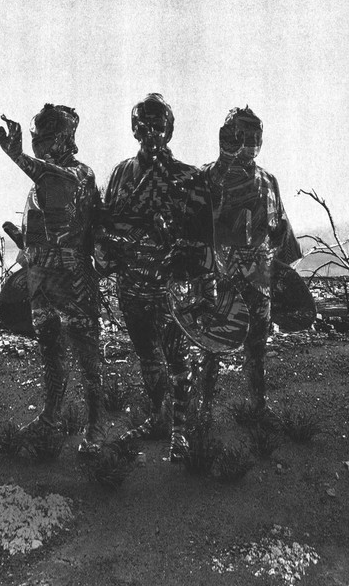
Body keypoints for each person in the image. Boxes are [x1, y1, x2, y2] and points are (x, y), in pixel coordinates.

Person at [102, 93, 231, 461]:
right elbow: (107, 223)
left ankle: (180, 430)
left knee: (178, 359)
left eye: (158, 126)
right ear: (133, 129)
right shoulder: (121, 174)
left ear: (169, 130)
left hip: (171, 287)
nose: (151, 133)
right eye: (143, 125)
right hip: (131, 285)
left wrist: (203, 282)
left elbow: (204, 239)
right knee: (146, 355)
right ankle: (159, 416)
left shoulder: (188, 177)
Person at [0, 104, 106, 454]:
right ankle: (50, 417)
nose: (39, 145)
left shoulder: (79, 174)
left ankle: (96, 428)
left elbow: (56, 180)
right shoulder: (43, 181)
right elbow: (47, 227)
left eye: (44, 139)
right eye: (36, 139)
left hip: (74, 281)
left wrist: (18, 157)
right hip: (42, 280)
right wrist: (23, 241)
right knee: (51, 352)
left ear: (63, 138)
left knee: (87, 357)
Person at [199, 106, 302, 416]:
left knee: (257, 348)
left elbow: (280, 230)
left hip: (259, 281)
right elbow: (198, 223)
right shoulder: (211, 176)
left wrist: (279, 269)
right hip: (221, 278)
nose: (252, 142)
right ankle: (203, 410)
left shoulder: (268, 180)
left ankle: (259, 408)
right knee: (212, 346)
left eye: (257, 136)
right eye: (244, 135)